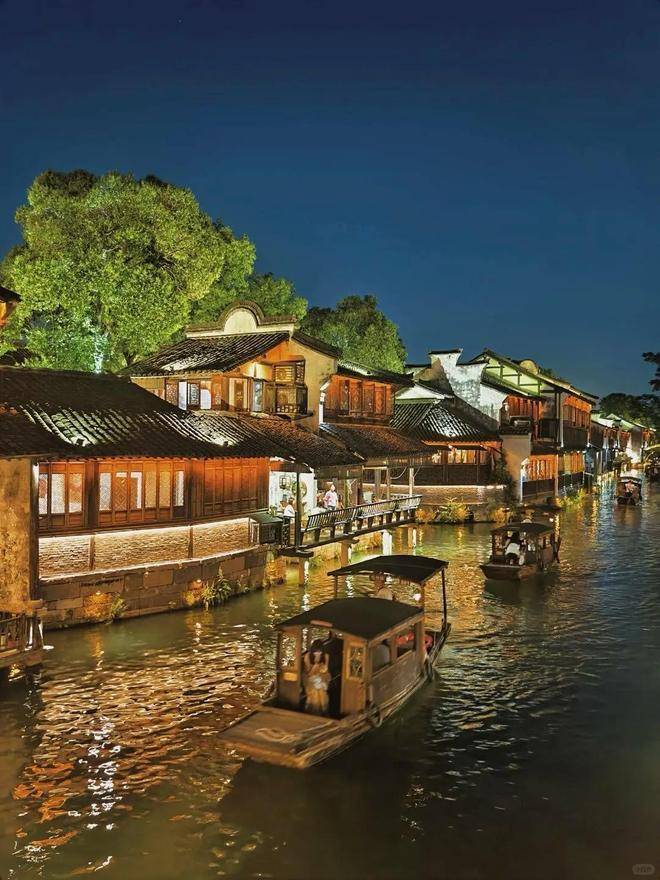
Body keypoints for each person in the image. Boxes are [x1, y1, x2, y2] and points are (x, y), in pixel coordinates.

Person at [303, 640, 330, 715]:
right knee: (315, 689)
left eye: (320, 652)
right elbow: (308, 673)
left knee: (321, 688)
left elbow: (326, 671)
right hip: (309, 677)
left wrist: (321, 672)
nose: (318, 653)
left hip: (323, 676)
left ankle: (323, 711)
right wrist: (315, 666)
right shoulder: (307, 656)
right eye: (316, 652)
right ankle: (313, 711)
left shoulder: (326, 656)